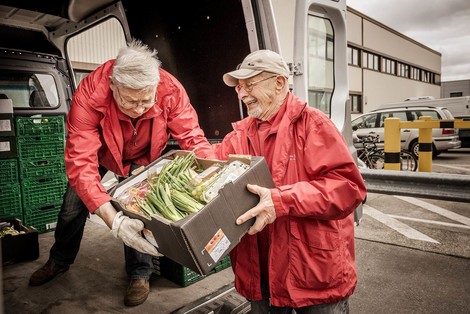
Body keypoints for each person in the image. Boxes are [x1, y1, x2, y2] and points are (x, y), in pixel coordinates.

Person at [29, 39, 216, 307]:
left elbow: (193, 137)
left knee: (137, 208)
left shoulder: (170, 89)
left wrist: (212, 174)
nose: (139, 109)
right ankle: (59, 260)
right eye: (130, 102)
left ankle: (140, 273)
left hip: (143, 155)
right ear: (113, 87)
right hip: (102, 152)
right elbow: (81, 162)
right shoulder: (90, 93)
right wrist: (112, 221)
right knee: (72, 206)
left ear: (155, 87)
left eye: (145, 101)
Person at [213, 50, 367, 313]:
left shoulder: (314, 125)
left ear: (279, 83)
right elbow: (208, 167)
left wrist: (281, 200)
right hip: (259, 273)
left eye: (250, 84)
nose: (242, 94)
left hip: (313, 273)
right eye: (239, 87)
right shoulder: (236, 136)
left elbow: (348, 188)